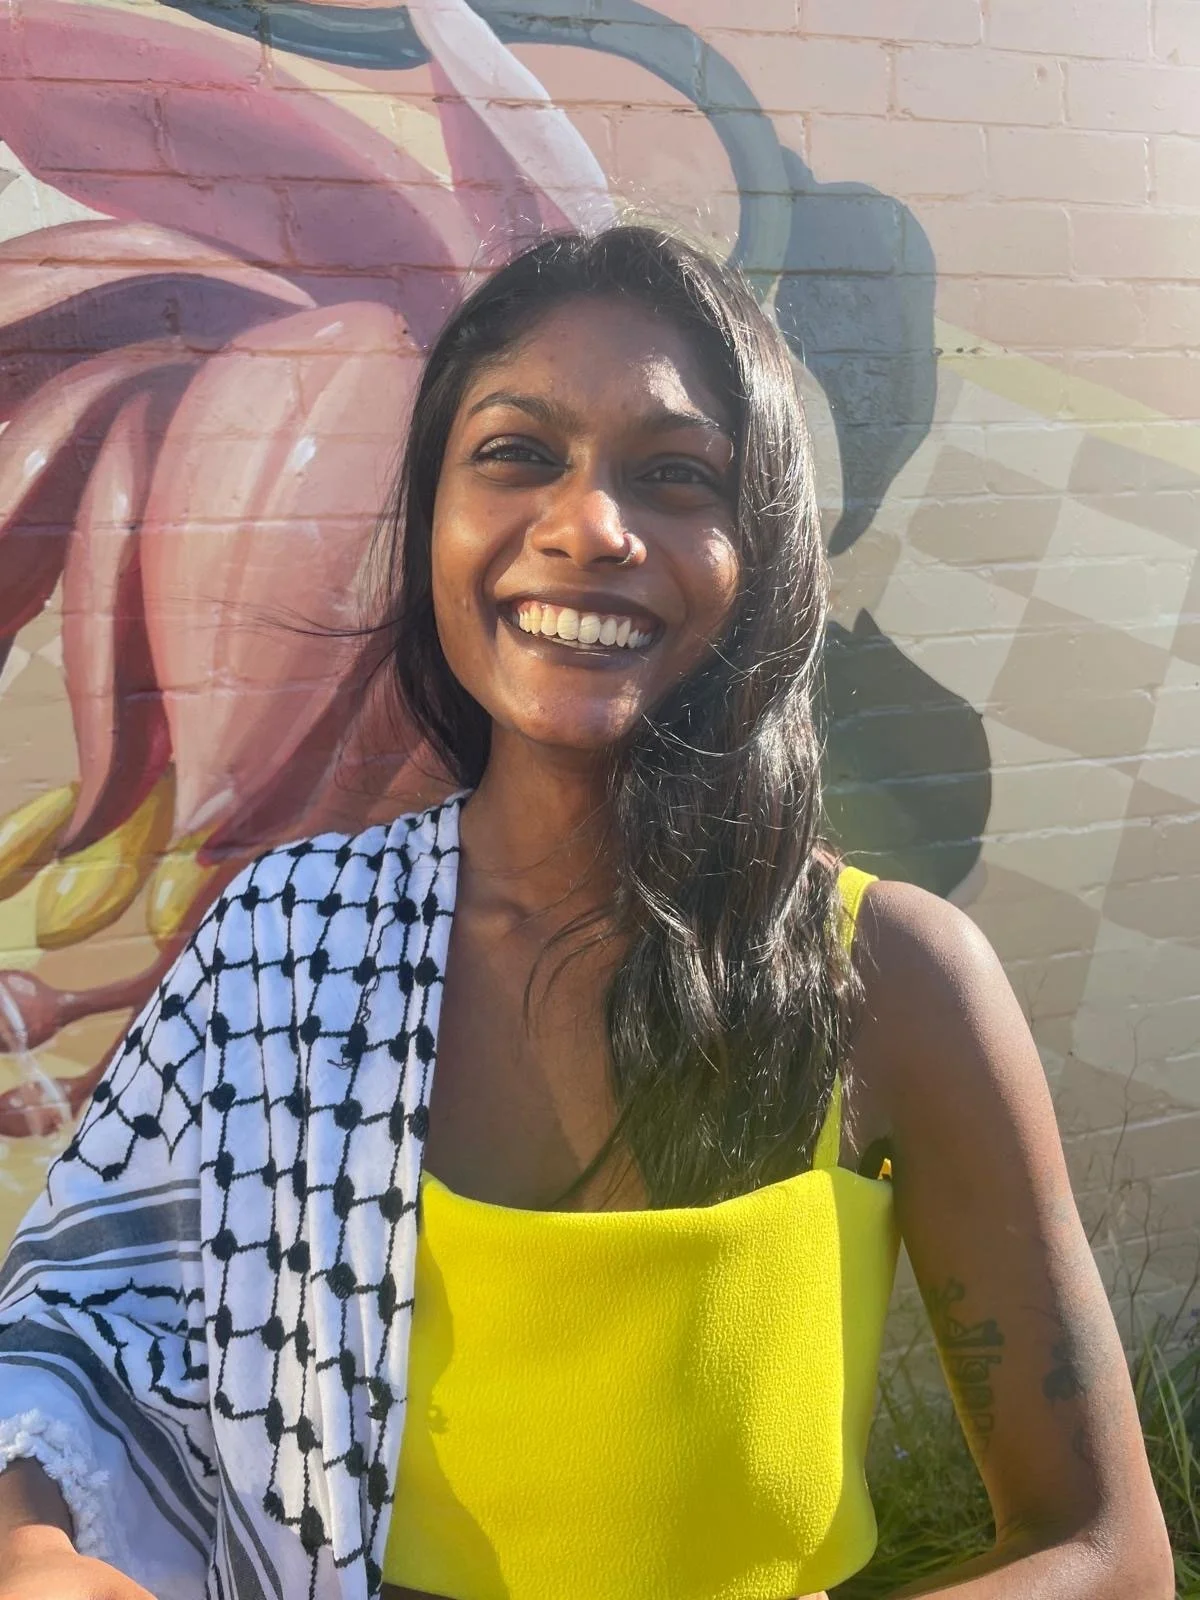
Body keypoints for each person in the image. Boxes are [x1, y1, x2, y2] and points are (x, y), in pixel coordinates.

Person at [0, 226, 1173, 1600]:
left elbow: (1105, 1550)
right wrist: (35, 1547)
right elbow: (71, 1331)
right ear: (429, 521)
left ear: (762, 554)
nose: (588, 527)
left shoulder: (891, 980)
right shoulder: (277, 951)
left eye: (675, 476)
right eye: (515, 455)